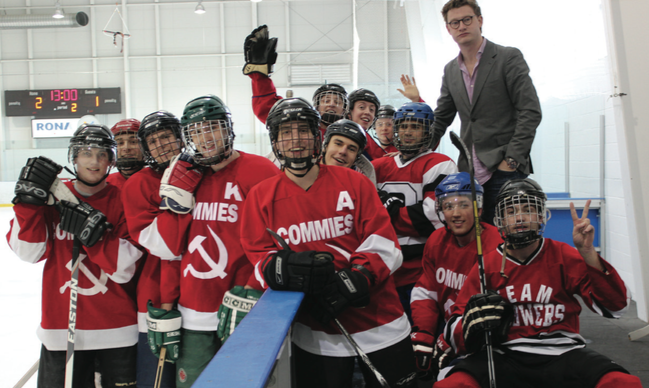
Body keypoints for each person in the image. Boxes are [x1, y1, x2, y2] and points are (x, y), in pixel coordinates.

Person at [241, 97, 417, 388]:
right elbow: (259, 254)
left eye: (303, 130)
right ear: (274, 140)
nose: (295, 140)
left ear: (316, 136)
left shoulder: (355, 182)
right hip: (315, 333)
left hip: (381, 322)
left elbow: (384, 241)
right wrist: (280, 268)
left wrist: (355, 279)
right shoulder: (260, 196)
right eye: (286, 132)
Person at [434, 178, 642, 388]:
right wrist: (470, 322)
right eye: (511, 211)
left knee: (622, 383)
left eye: (528, 209)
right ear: (500, 218)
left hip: (563, 351)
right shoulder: (486, 265)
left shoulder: (565, 255)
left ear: (541, 215)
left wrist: (588, 254)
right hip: (504, 353)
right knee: (452, 384)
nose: (520, 217)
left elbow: (617, 308)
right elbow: (454, 330)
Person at [145, 95, 278, 387]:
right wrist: (167, 303)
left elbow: (280, 242)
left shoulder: (261, 172)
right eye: (196, 131)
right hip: (193, 313)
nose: (205, 138)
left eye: (213, 127)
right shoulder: (185, 177)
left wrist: (257, 290)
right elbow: (172, 248)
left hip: (244, 307)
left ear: (228, 128)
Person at [7, 124, 143, 388]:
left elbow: (126, 268)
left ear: (111, 161)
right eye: (86, 153)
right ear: (74, 157)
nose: (94, 161)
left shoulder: (124, 198)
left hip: (116, 331)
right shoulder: (54, 199)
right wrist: (27, 206)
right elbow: (28, 252)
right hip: (60, 329)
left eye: (102, 154)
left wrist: (94, 235)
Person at [431, 0, 542, 226]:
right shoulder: (451, 70)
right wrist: (417, 152)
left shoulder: (507, 57)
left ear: (479, 21)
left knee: (506, 240)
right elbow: (441, 117)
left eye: (466, 19)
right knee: (477, 243)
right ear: (448, 29)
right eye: (455, 22)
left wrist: (511, 160)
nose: (461, 26)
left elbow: (530, 111)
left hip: (504, 170)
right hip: (469, 174)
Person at [409, 172, 502, 380]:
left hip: (483, 336)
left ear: (478, 208)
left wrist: (446, 342)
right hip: (448, 328)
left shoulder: (495, 244)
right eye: (449, 206)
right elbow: (426, 291)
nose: (456, 213)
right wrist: (423, 335)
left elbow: (480, 309)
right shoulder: (436, 240)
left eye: (463, 205)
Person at [372, 102, 458, 322]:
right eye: (402, 126)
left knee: (422, 334)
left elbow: (432, 218)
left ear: (428, 131)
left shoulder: (440, 164)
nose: (408, 132)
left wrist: (388, 213)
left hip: (422, 271)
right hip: (381, 272)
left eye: (415, 126)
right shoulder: (377, 166)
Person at [120, 110, 184, 388]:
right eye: (153, 141)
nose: (161, 145)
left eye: (166, 137)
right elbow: (165, 247)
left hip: (203, 299)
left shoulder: (204, 172)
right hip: (155, 302)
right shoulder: (139, 183)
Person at [243, 24, 348, 140]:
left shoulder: (355, 134)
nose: (332, 104)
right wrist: (259, 75)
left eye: (338, 102)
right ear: (316, 107)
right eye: (326, 100)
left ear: (345, 110)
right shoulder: (303, 125)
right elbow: (268, 109)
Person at [321, 118, 376, 185]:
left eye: (351, 149)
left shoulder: (360, 188)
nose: (343, 151)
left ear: (356, 158)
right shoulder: (305, 176)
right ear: (325, 146)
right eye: (338, 144)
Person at [107, 118, 145, 188]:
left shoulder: (158, 182)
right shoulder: (105, 184)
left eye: (133, 142)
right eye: (120, 143)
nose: (126, 148)